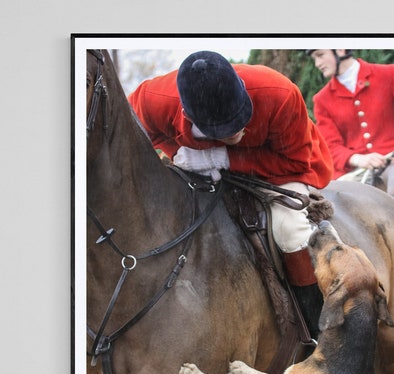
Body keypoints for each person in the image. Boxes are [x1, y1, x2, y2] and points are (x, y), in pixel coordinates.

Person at [128, 50, 334, 338]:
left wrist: (222, 158)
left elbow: (296, 162)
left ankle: (318, 329)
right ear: (188, 114)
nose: (238, 131)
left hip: (280, 167)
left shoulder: (280, 93)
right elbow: (138, 136)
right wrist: (176, 153)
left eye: (240, 120)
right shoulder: (152, 99)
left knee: (291, 230)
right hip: (200, 171)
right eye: (225, 130)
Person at [306, 49, 394, 179]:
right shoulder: (322, 99)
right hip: (357, 172)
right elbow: (329, 145)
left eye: (320, 55)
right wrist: (356, 158)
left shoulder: (387, 74)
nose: (317, 63)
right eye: (314, 59)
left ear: (340, 50)